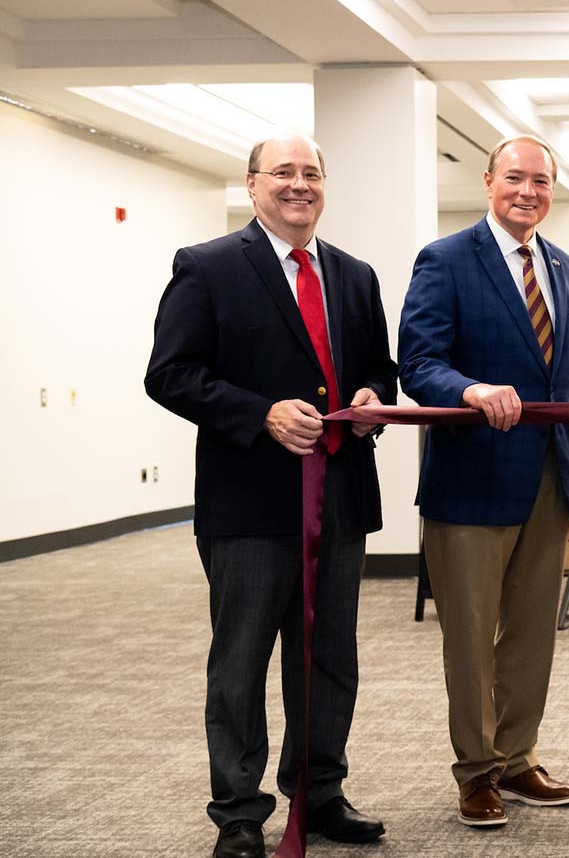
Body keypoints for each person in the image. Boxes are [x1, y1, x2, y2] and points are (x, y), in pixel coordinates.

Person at [145, 134, 395, 858]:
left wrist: (375, 396)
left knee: (328, 659)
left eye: (311, 173)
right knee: (242, 660)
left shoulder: (354, 275)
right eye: (282, 172)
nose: (299, 185)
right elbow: (170, 373)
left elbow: (378, 369)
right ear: (253, 185)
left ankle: (318, 793)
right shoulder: (208, 267)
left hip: (340, 500)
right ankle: (239, 813)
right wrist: (260, 413)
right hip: (248, 505)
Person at [398, 135, 569, 829]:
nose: (528, 191)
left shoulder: (567, 271)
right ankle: (476, 771)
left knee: (532, 634)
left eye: (541, 182)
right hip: (472, 479)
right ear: (488, 182)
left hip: (551, 478)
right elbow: (418, 362)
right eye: (515, 178)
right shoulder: (446, 260)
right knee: (470, 635)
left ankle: (517, 759)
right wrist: (473, 387)